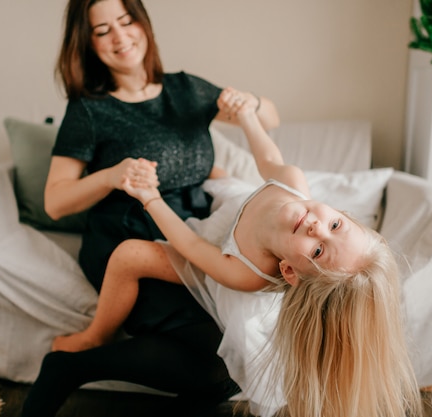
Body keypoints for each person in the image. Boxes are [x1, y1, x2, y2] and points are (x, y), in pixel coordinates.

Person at [51, 89, 425, 417]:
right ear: (341, 213)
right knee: (215, 171)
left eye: (317, 249)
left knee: (130, 254)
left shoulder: (248, 274)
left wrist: (150, 198)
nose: (317, 228)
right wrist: (246, 115)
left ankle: (94, 337)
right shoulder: (294, 185)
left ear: (290, 272)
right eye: (335, 225)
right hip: (233, 214)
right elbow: (267, 156)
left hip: (218, 260)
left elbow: (194, 246)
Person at [21, 0, 280, 416]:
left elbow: (270, 117)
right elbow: (55, 202)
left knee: (237, 356)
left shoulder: (186, 89)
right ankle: (68, 368)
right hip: (128, 235)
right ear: (87, 42)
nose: (120, 37)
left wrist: (245, 101)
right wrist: (110, 175)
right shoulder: (90, 109)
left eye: (126, 22)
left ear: (143, 24)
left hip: (194, 229)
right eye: (103, 30)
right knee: (219, 362)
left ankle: (67, 367)